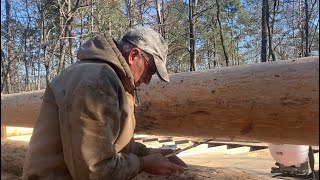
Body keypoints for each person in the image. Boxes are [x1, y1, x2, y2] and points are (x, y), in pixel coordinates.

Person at [22, 26, 187, 180]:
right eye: (151, 70)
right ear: (133, 56)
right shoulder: (96, 82)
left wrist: (149, 152)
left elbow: (109, 144)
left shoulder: (106, 77)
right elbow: (93, 170)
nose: (148, 80)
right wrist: (144, 164)